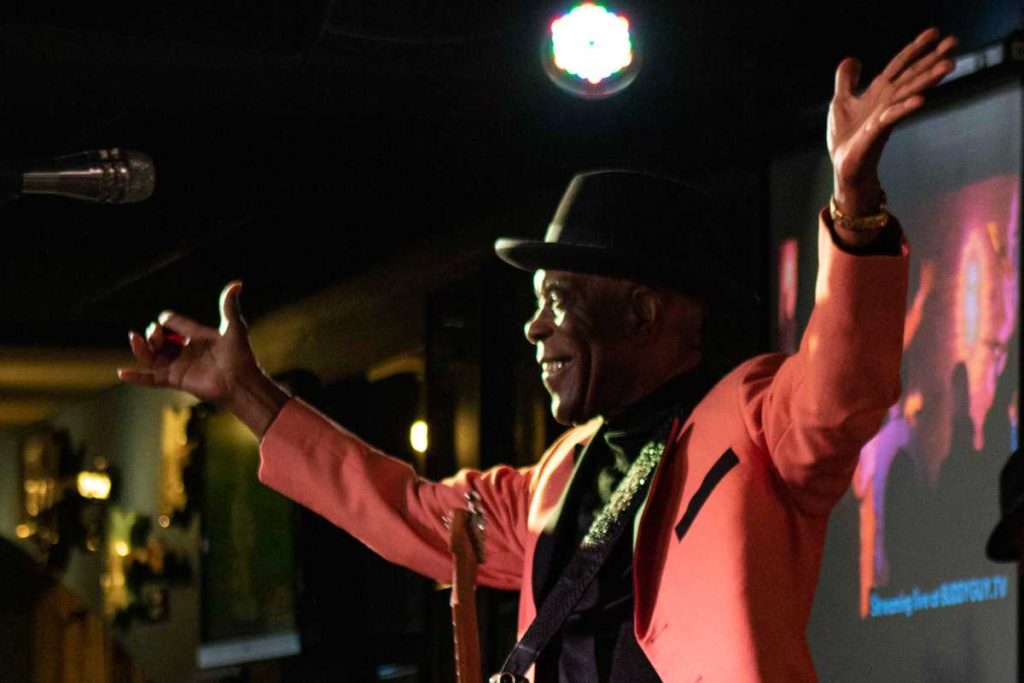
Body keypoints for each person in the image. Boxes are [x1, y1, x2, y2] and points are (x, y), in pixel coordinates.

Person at [119, 29, 956, 682]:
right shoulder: (556, 477)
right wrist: (246, 390)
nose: (534, 328)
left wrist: (853, 207)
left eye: (557, 299)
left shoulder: (751, 418)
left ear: (641, 310)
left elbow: (842, 388)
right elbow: (402, 507)